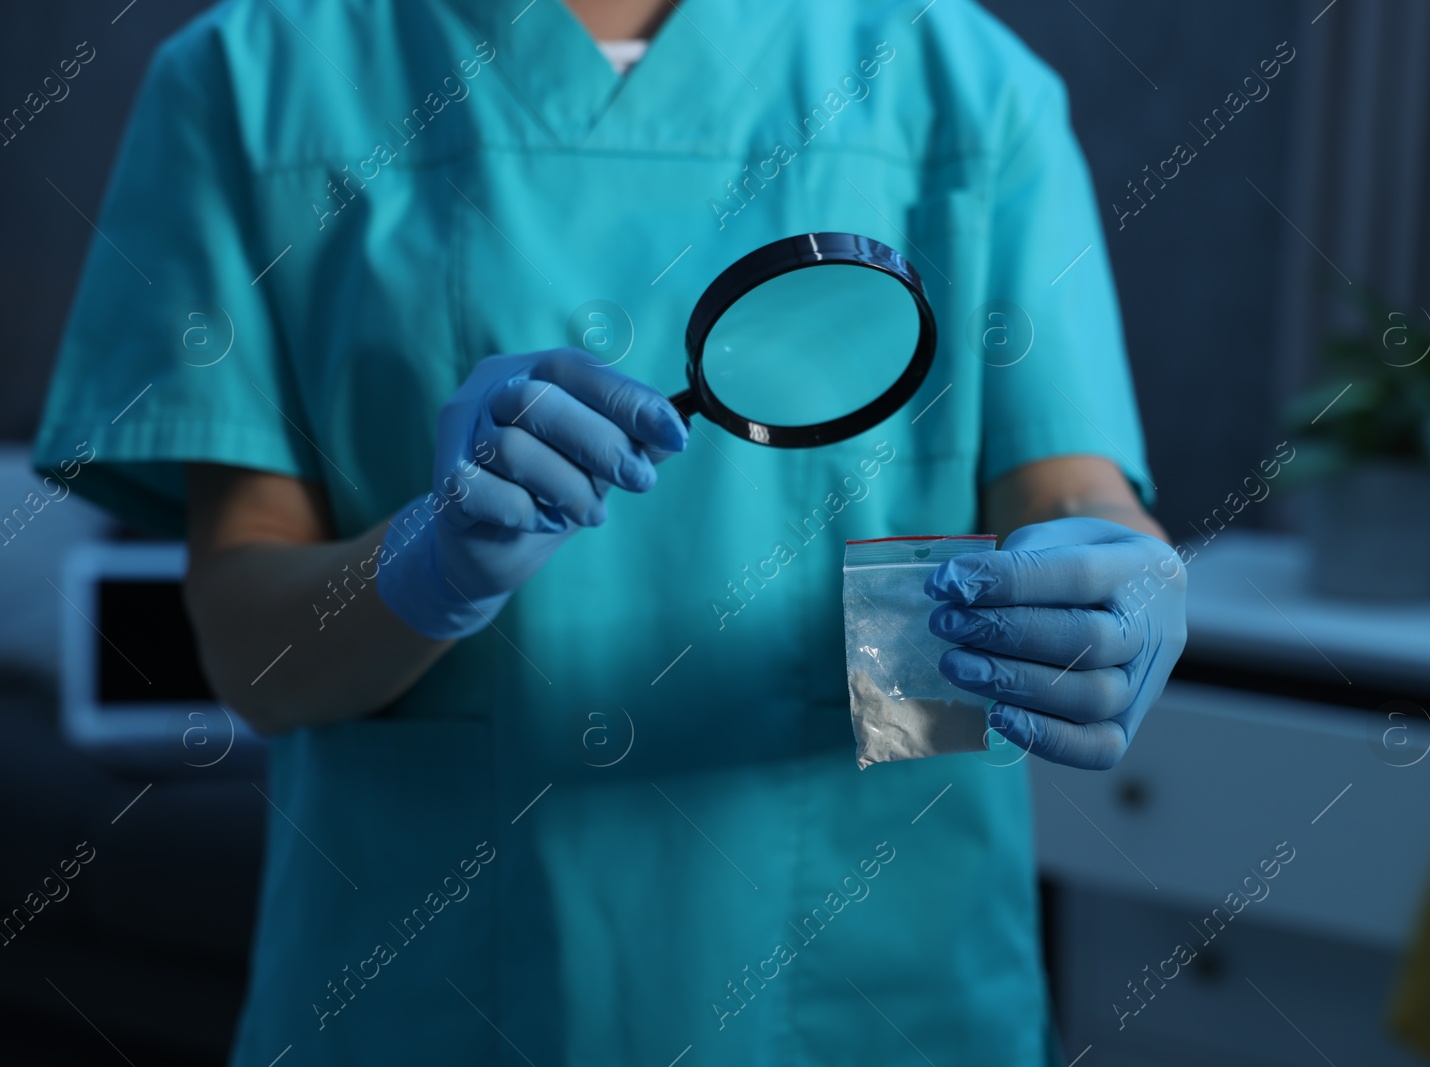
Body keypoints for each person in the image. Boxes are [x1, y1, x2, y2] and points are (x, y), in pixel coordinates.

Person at [32, 0, 1187, 1062]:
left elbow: (1068, 499)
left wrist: (1113, 582)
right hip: (425, 1003)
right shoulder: (252, 75)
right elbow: (254, 657)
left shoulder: (964, 78)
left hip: (879, 995)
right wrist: (422, 563)